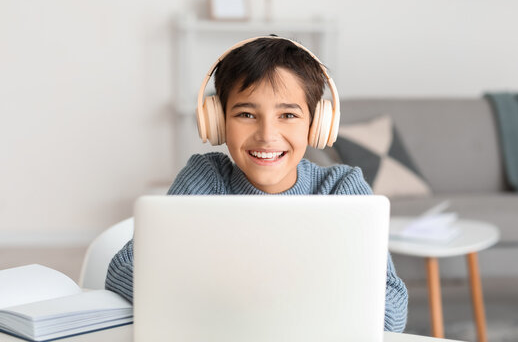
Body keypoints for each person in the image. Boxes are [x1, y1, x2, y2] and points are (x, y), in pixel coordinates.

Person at [105, 36, 408, 332]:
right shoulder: (206, 179)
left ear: (316, 126)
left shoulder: (341, 188)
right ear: (218, 122)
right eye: (247, 114)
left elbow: (391, 312)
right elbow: (124, 269)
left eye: (288, 114)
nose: (267, 134)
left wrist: (219, 294)